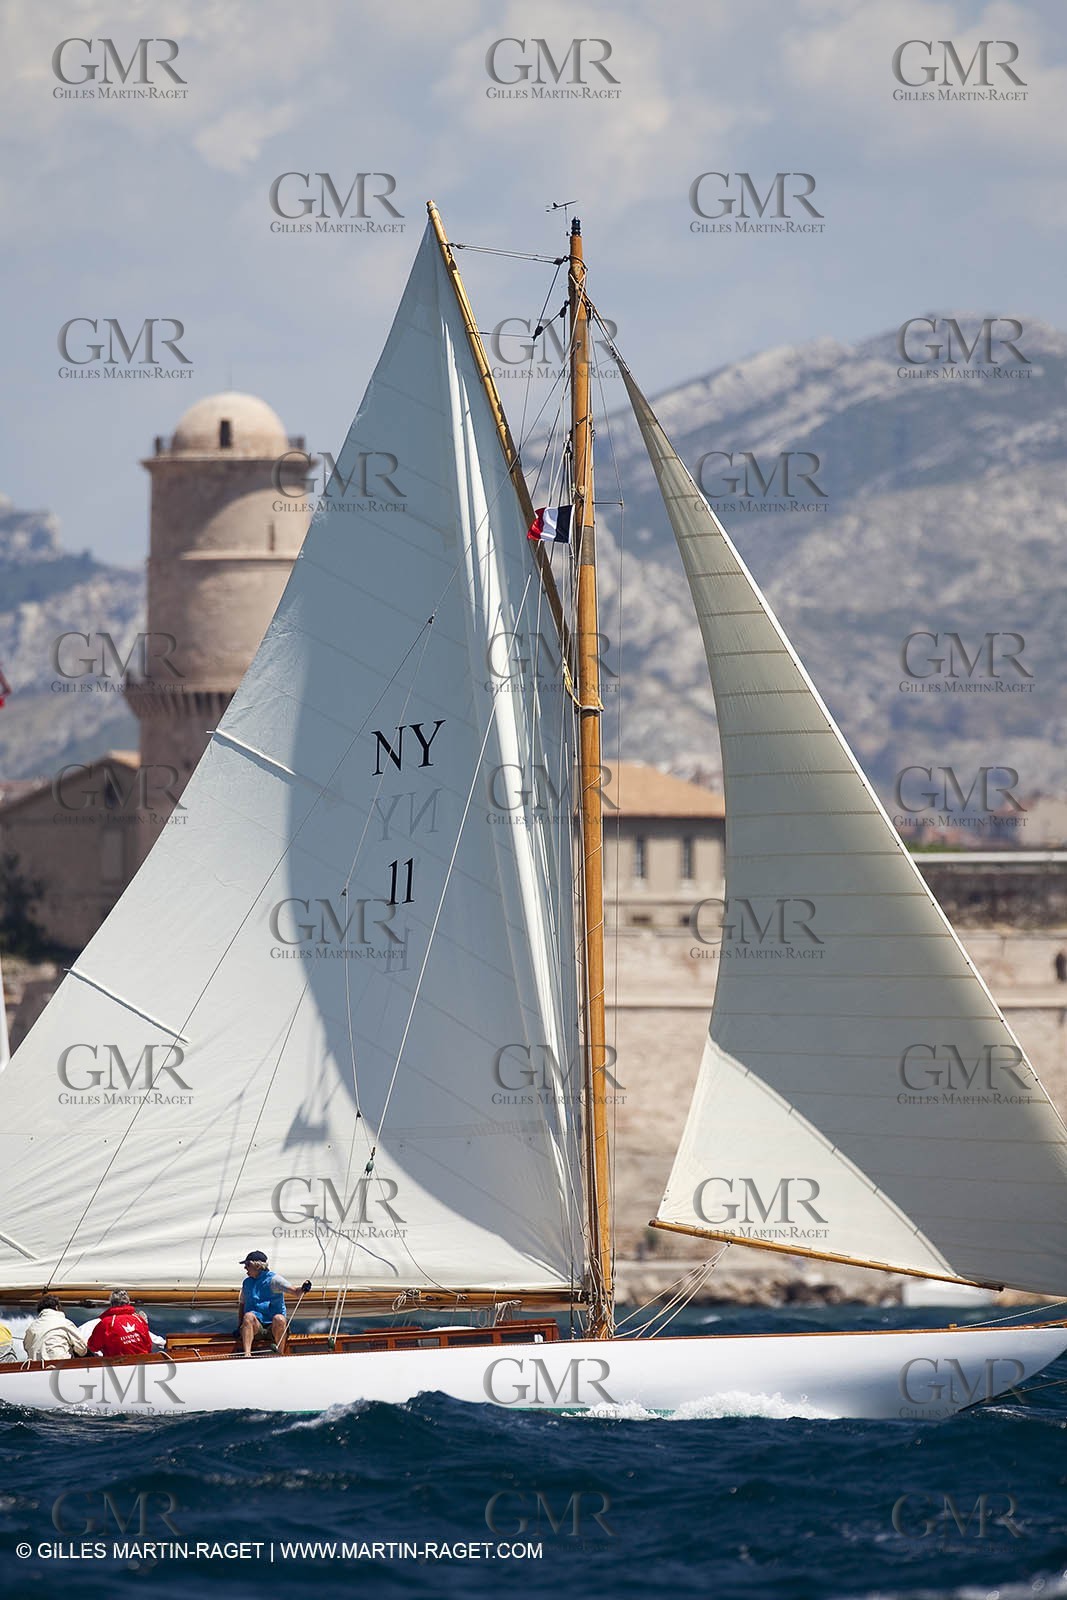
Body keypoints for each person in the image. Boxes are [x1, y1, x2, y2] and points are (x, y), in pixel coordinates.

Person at [237, 1251, 311, 1357]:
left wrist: (304, 1288)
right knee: (248, 1317)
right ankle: (247, 1355)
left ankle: (279, 1354)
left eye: (248, 1264)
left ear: (257, 1266)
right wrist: (239, 1326)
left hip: (274, 1327)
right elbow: (242, 1304)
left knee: (279, 1319)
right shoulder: (246, 1283)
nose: (245, 1268)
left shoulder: (274, 1280)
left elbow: (296, 1292)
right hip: (256, 1326)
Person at [86, 1290, 157, 1360]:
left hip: (118, 1364)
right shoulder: (139, 1319)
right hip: (143, 1362)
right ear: (128, 1303)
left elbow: (93, 1346)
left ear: (112, 1304)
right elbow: (148, 1345)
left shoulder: (106, 1323)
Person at [23, 1295, 88, 1362]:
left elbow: (26, 1347)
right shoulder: (65, 1323)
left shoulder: (32, 1327)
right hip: (60, 1366)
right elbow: (82, 1348)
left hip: (36, 1366)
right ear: (57, 1307)